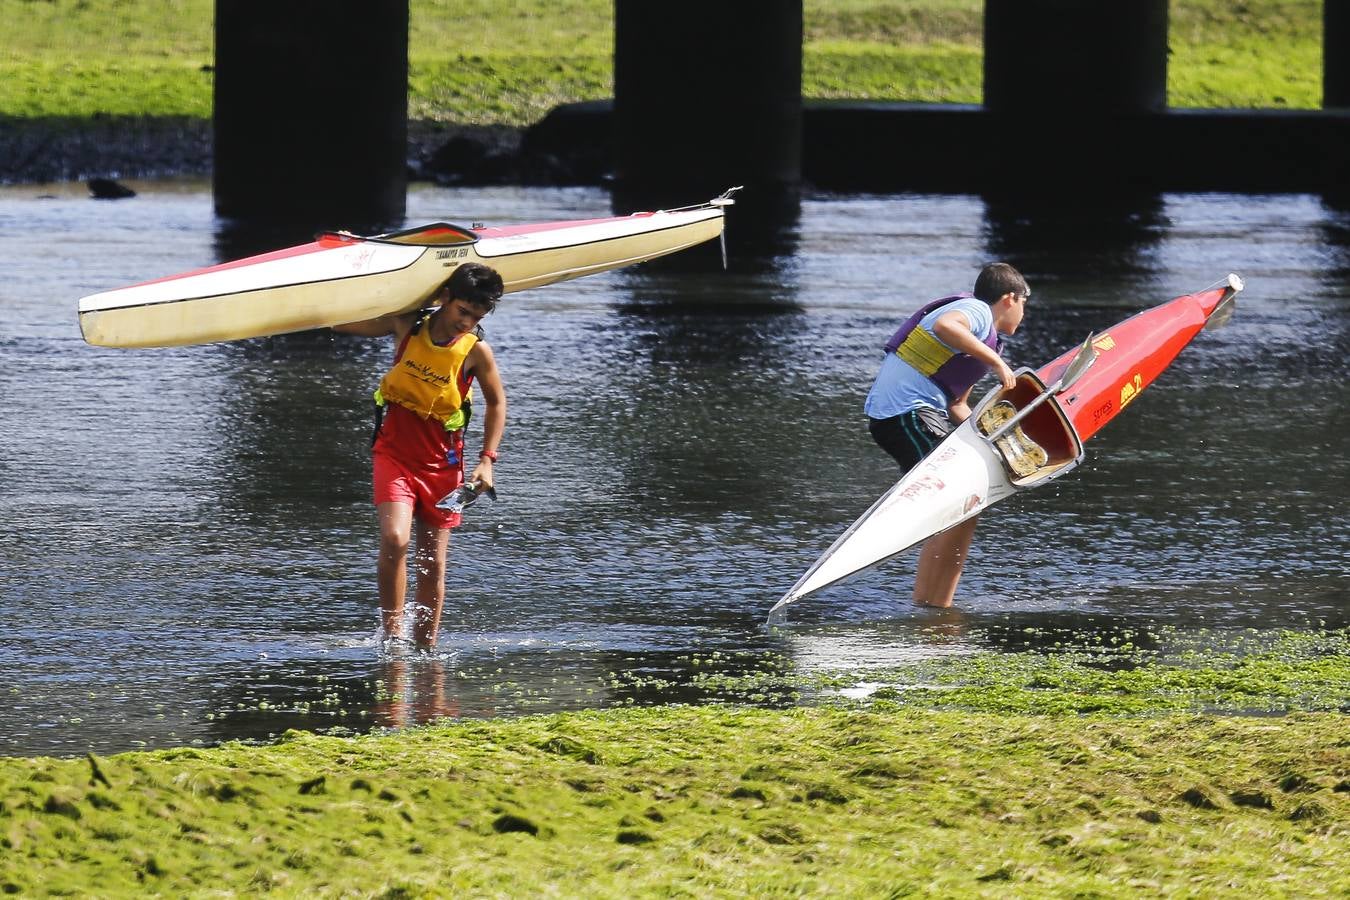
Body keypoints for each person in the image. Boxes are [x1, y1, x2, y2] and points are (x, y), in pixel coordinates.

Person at [334, 262, 506, 650]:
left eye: (476, 317)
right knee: (395, 539)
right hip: (394, 453)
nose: (467, 323)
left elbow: (497, 403)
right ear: (444, 298)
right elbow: (340, 324)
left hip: (443, 467)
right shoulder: (406, 326)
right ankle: (392, 639)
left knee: (433, 563)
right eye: (463, 311)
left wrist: (487, 461)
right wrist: (353, 265)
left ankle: (426, 647)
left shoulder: (476, 352)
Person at [863, 262, 1030, 607]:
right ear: (1010, 298)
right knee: (955, 497)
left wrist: (996, 442)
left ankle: (937, 602)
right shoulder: (977, 311)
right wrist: (998, 365)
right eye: (1025, 304)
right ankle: (930, 605)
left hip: (919, 415)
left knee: (967, 501)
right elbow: (945, 325)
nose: (1024, 313)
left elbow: (957, 404)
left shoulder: (985, 341)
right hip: (905, 414)